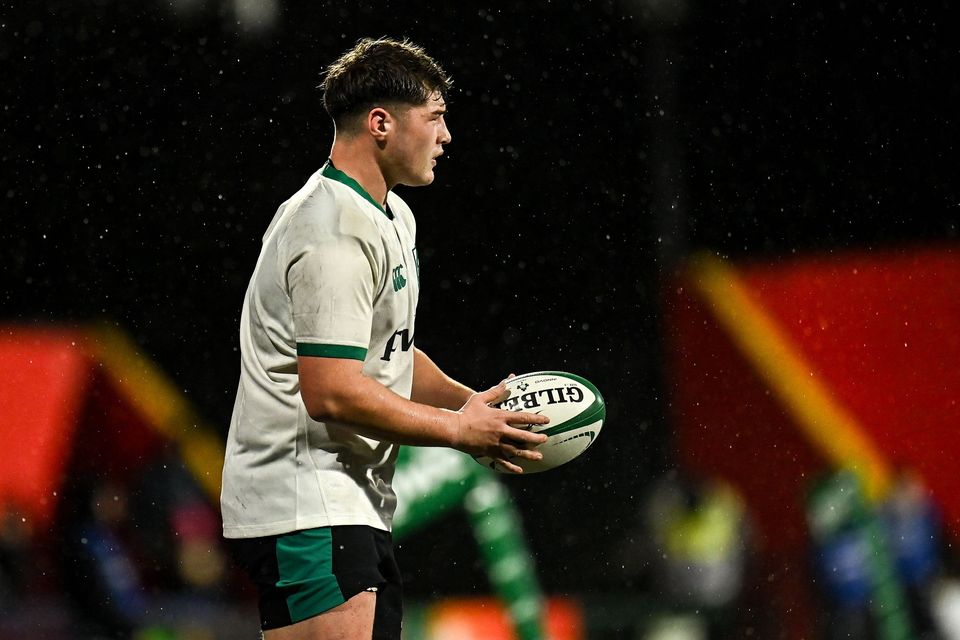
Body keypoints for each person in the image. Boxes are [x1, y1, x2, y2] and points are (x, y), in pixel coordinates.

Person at [220, 37, 548, 640]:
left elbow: (386, 355)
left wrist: (473, 408)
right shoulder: (331, 230)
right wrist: (456, 432)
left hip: (346, 503)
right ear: (381, 123)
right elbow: (333, 393)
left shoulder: (393, 216)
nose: (447, 136)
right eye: (436, 117)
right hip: (306, 505)